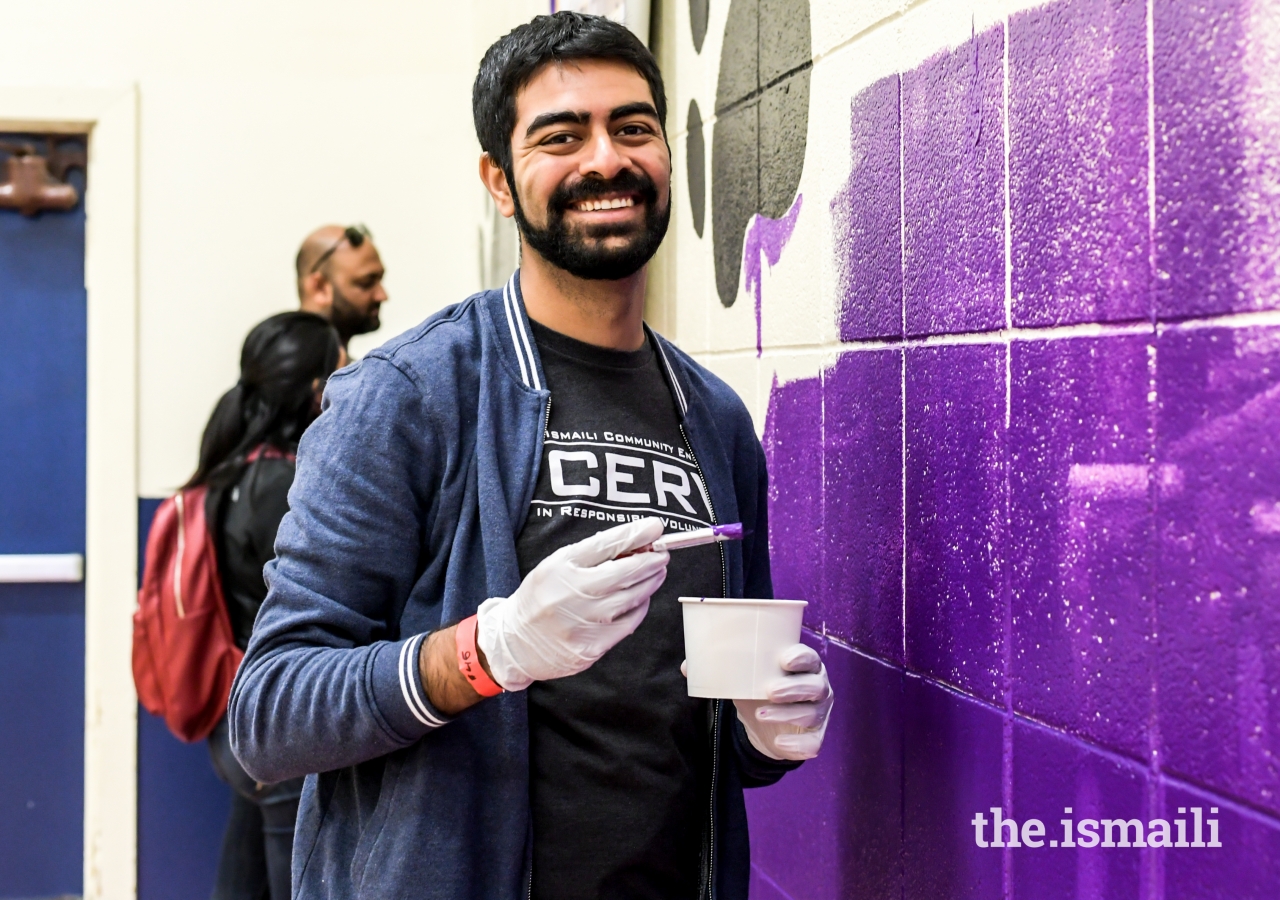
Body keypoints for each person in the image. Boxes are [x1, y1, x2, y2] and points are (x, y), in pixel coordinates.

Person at [229, 12, 833, 900]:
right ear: (501, 182)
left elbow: (696, 730)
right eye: (561, 135)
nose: (605, 160)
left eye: (633, 127)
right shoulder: (409, 394)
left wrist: (762, 731)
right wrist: (489, 653)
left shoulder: (716, 418)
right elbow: (271, 711)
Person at [185, 312, 340, 900]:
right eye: (338, 368)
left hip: (235, 713)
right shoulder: (282, 485)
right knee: (290, 878)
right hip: (276, 713)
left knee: (244, 863)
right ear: (313, 390)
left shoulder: (230, 472)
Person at [295, 223, 388, 362]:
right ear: (319, 287)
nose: (382, 296)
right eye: (366, 283)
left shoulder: (347, 371)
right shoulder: (280, 373)